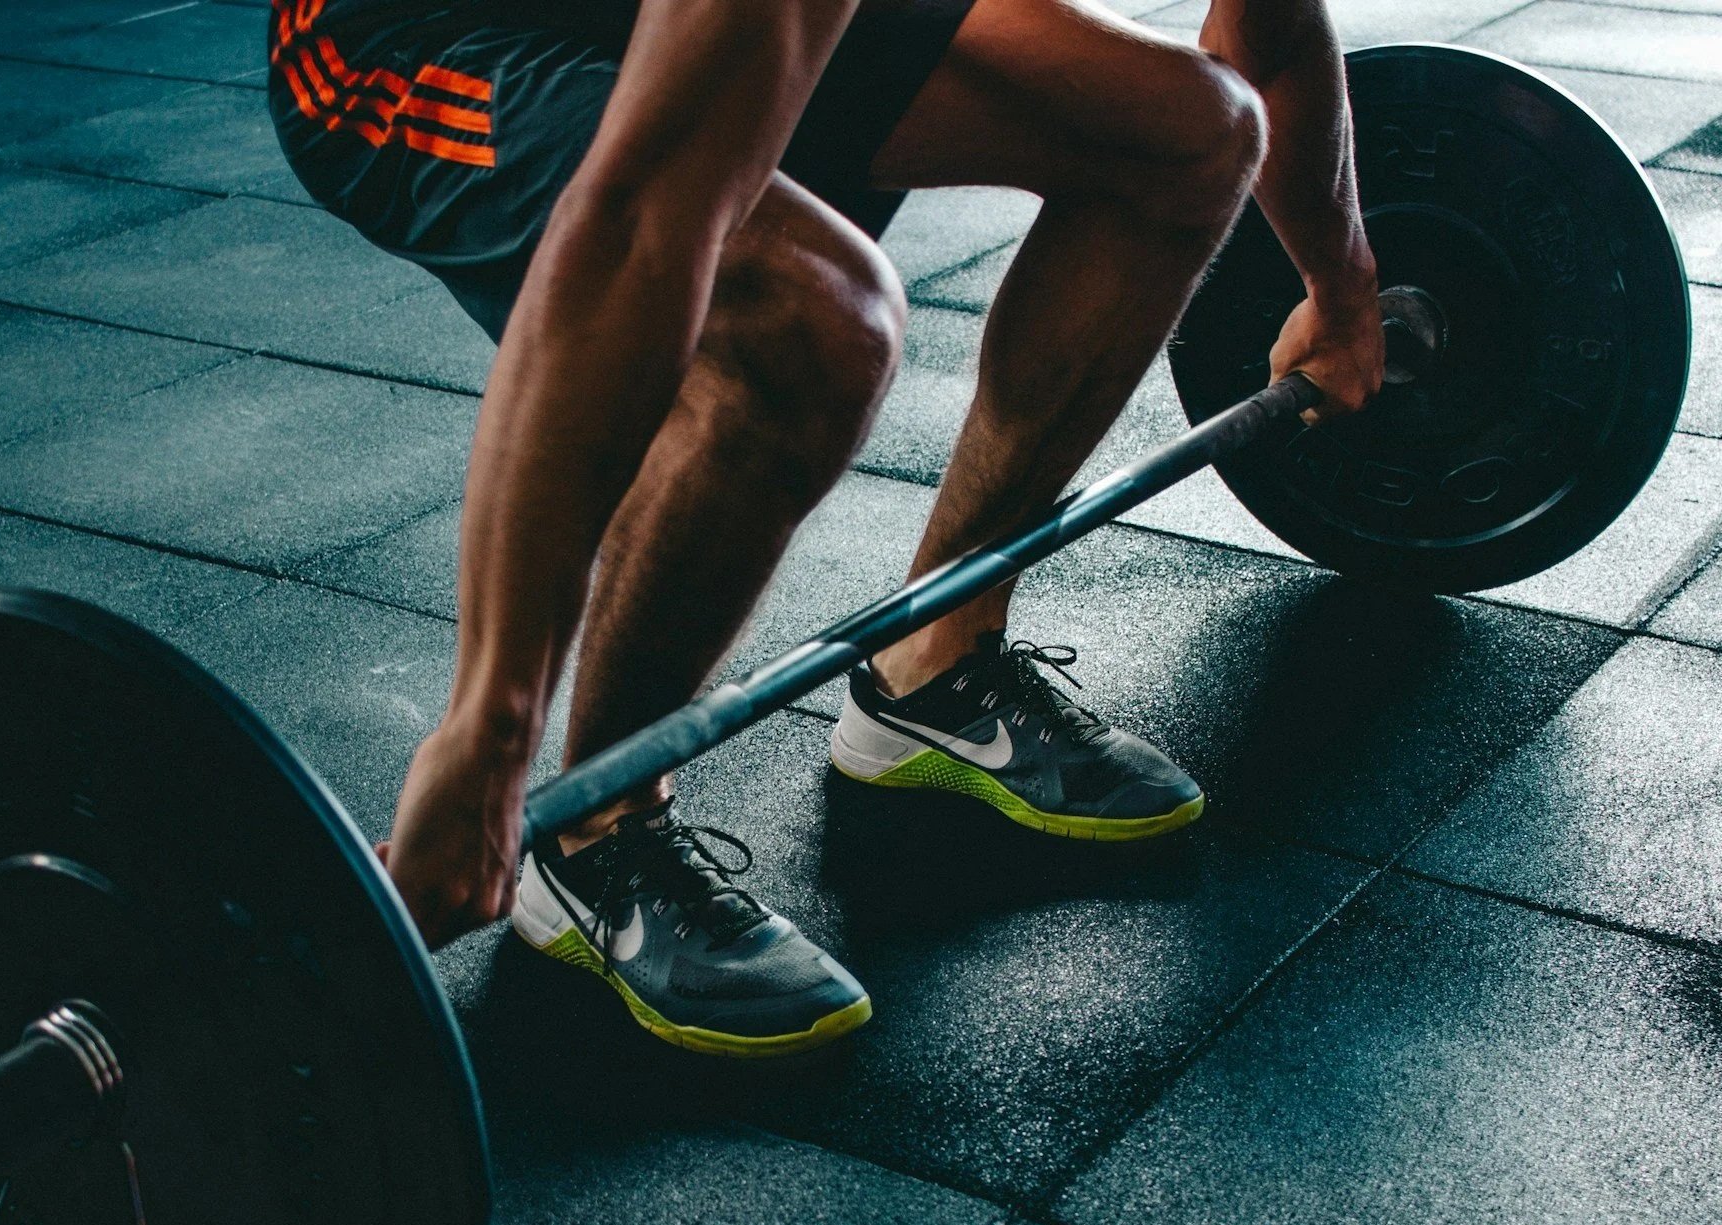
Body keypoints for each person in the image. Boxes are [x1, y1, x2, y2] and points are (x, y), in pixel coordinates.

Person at [269, 0, 1384, 1057]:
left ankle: (932, 664)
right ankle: (594, 834)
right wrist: (488, 730)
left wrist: (1340, 290)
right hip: (413, 35)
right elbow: (642, 220)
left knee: (1187, 133)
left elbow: (1269, 40)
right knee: (814, 318)